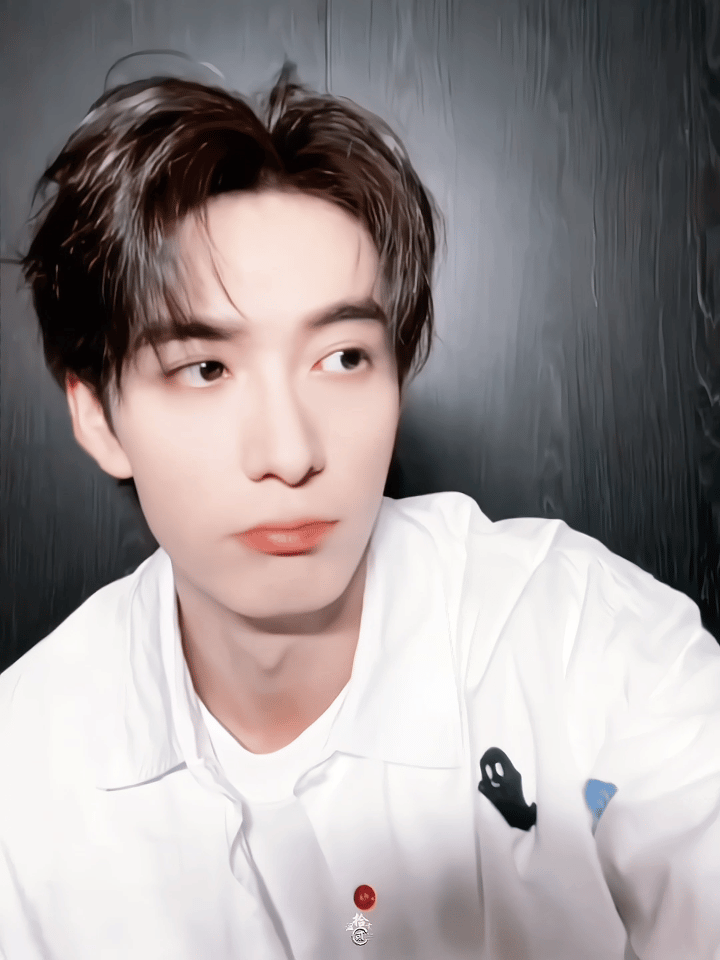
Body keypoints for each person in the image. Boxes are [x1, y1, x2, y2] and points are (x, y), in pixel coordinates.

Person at [1, 66, 719, 960]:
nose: (291, 451)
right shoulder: (25, 761)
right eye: (206, 368)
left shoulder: (581, 640)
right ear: (98, 418)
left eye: (343, 358)